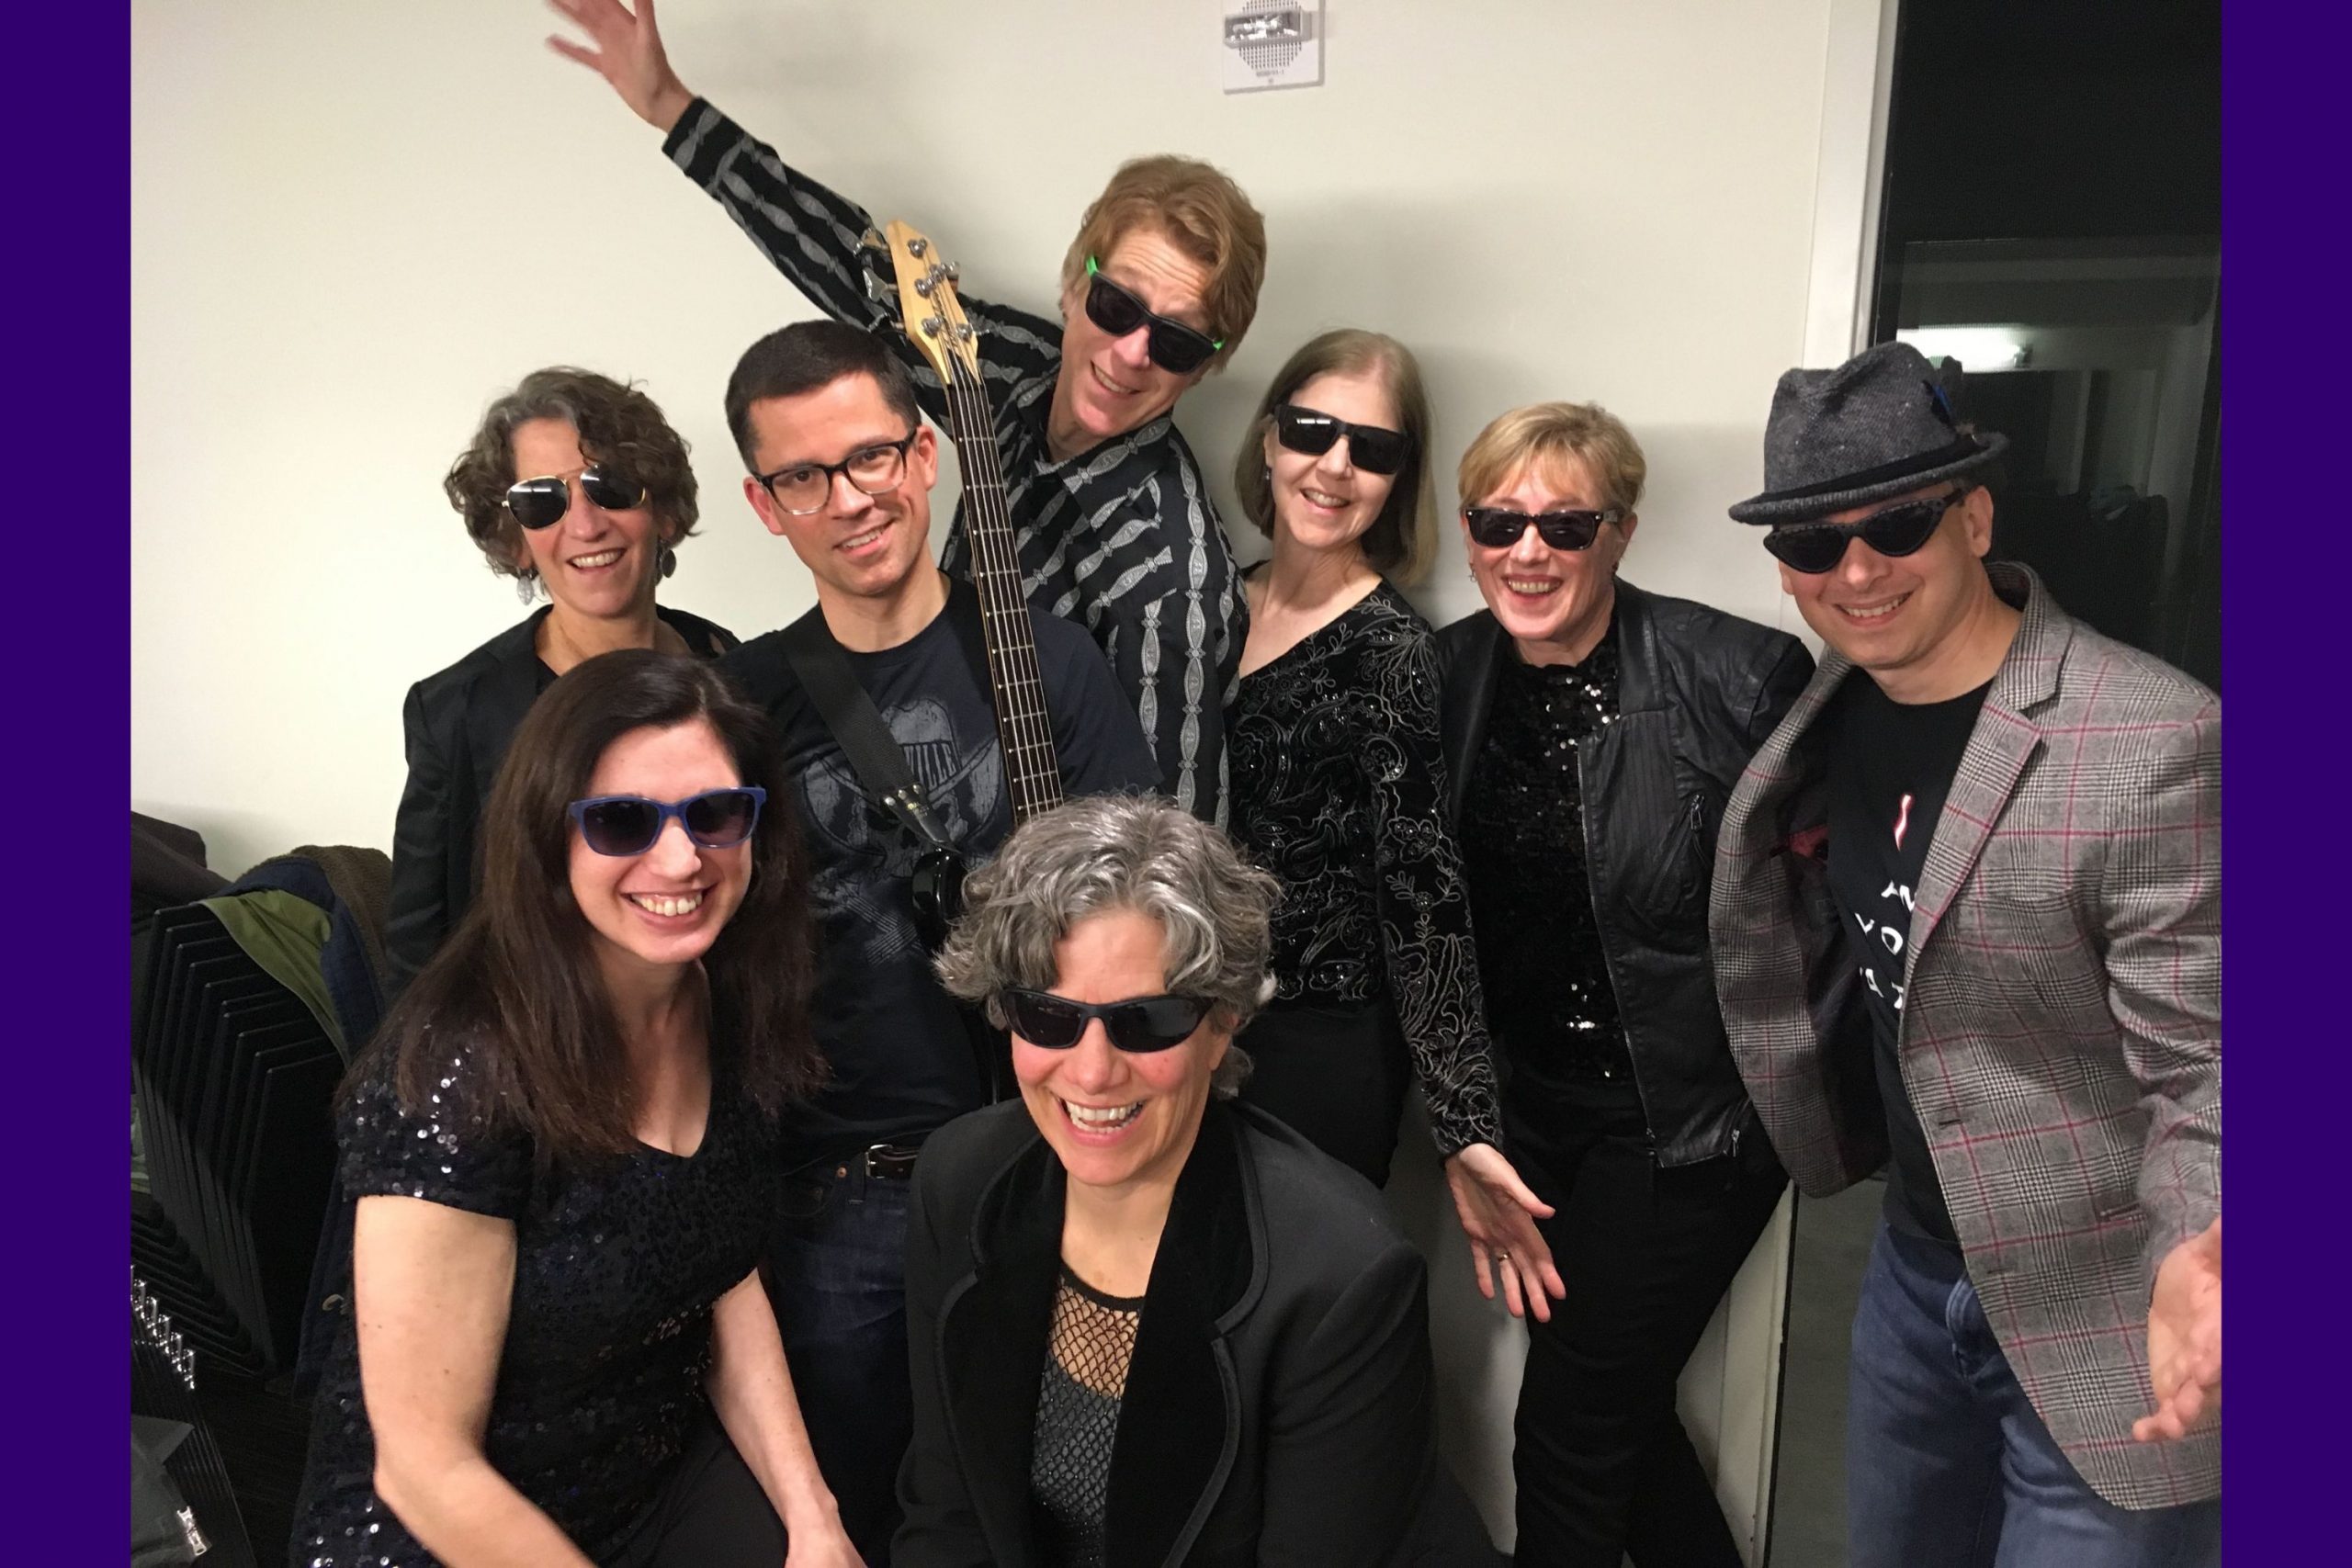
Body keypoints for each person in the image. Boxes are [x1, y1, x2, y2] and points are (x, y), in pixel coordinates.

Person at [1713, 341, 2221, 1565]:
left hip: (2104, 1298)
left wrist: (2212, 1242)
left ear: (1975, 511)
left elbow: (2211, 1056)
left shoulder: (2152, 735)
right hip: (1910, 1270)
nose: (1857, 567)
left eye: (1895, 520)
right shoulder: (1826, 712)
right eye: (1810, 543)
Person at [550, 0, 1263, 824]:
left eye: (1176, 343)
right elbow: (854, 272)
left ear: (1209, 368)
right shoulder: (1010, 365)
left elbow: (1169, 844)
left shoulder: (1172, 578)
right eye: (1114, 304)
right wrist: (672, 108)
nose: (1131, 352)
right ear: (1074, 284)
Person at [716, 320, 1161, 1562]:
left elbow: (1143, 917)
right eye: (804, 476)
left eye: (870, 457)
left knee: (1069, 1499)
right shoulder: (744, 704)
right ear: (764, 503)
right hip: (846, 1190)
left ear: (925, 457)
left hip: (1061, 1161)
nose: (848, 498)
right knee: (868, 1509)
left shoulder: (1054, 663)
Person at [291, 649, 860, 1567]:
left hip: (650, 1478)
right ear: (550, 838)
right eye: (623, 821)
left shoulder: (717, 995)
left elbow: (723, 1270)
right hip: (447, 1529)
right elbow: (425, 1467)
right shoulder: (459, 1071)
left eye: (715, 813)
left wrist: (814, 1521)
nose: (681, 857)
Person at [910, 793, 1492, 1566]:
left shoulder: (1342, 1276)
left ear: (1223, 1024)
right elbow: (948, 1515)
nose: (1091, 1071)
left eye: (1144, 1021)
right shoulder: (957, 1181)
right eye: (1048, 1016)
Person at [1434, 400, 1809, 1565]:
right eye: (1498, 523)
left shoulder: (1738, 674)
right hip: (1532, 1126)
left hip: (1692, 1129)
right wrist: (1462, 1126)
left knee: (1566, 1437)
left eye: (1565, 522)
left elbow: (1812, 924)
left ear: (1621, 533)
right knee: (1620, 1424)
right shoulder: (1443, 676)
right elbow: (1424, 926)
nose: (1527, 551)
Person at [1222, 327, 1550, 1259]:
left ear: (1399, 478)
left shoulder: (1394, 651)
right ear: (1268, 439)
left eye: (1372, 448)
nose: (1334, 465)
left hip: (1317, 1046)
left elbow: (1423, 890)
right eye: (1312, 431)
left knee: (1299, 1309)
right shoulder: (1208, 599)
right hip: (1186, 1023)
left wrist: (1463, 1119)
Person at [386, 366, 736, 995]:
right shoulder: (457, 713)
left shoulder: (736, 672)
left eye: (610, 487)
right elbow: (421, 954)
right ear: (515, 537)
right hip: (539, 1061)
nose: (585, 524)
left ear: (661, 510)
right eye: (541, 500)